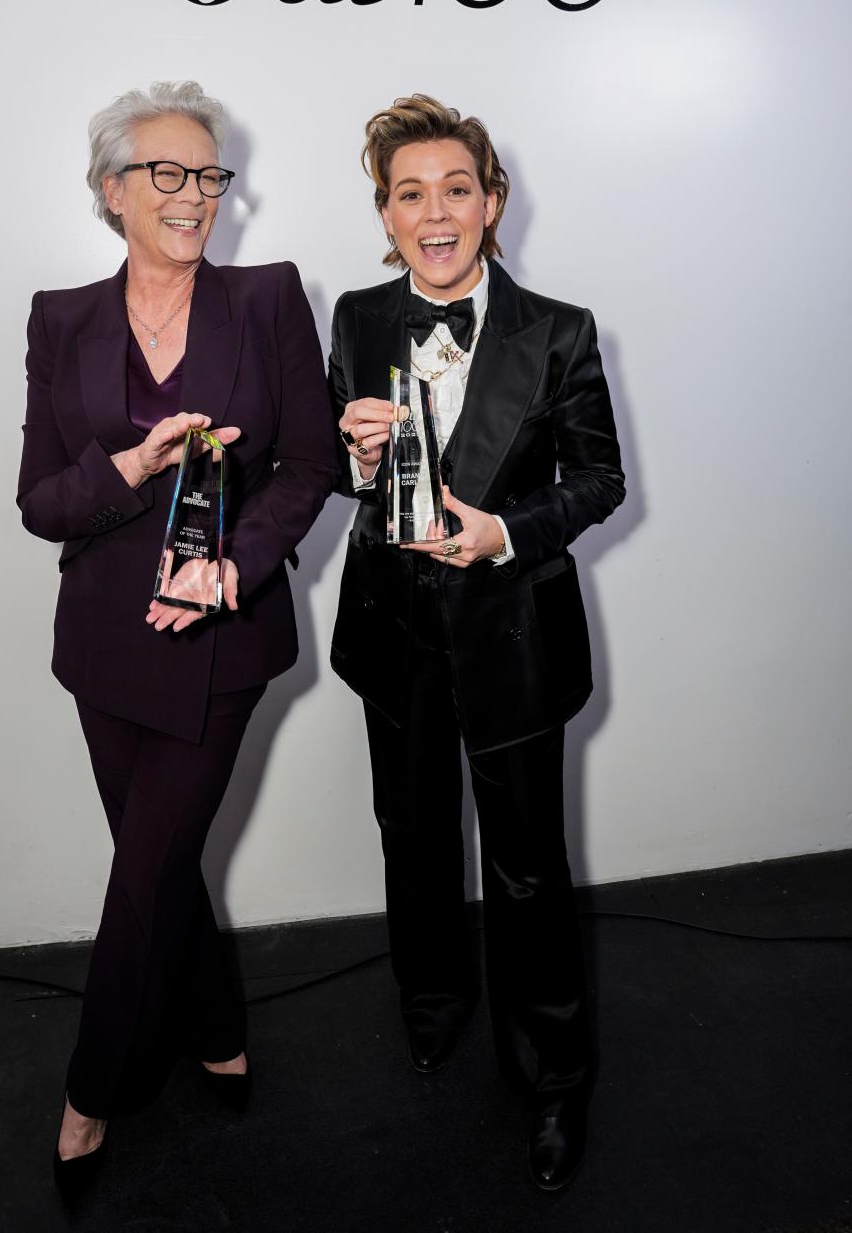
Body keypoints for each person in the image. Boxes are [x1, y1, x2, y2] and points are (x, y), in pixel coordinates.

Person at [17, 81, 338, 1198]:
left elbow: (311, 465)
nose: (195, 195)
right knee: (160, 868)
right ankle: (215, 1025)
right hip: (103, 645)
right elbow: (38, 501)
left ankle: (91, 1086)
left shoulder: (267, 299)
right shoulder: (61, 318)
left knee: (143, 867)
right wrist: (128, 469)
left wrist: (232, 564)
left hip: (223, 636)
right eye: (168, 173)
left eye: (208, 175)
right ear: (113, 190)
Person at [328, 94, 625, 1193]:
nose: (437, 212)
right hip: (392, 632)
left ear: (493, 203)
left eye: (458, 189)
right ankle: (433, 1005)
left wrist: (506, 529)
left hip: (515, 637)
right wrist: (353, 458)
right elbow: (337, 462)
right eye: (412, 194)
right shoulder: (358, 317)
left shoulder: (560, 329)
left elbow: (601, 477)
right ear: (388, 214)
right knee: (411, 836)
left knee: (530, 871)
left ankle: (554, 1078)